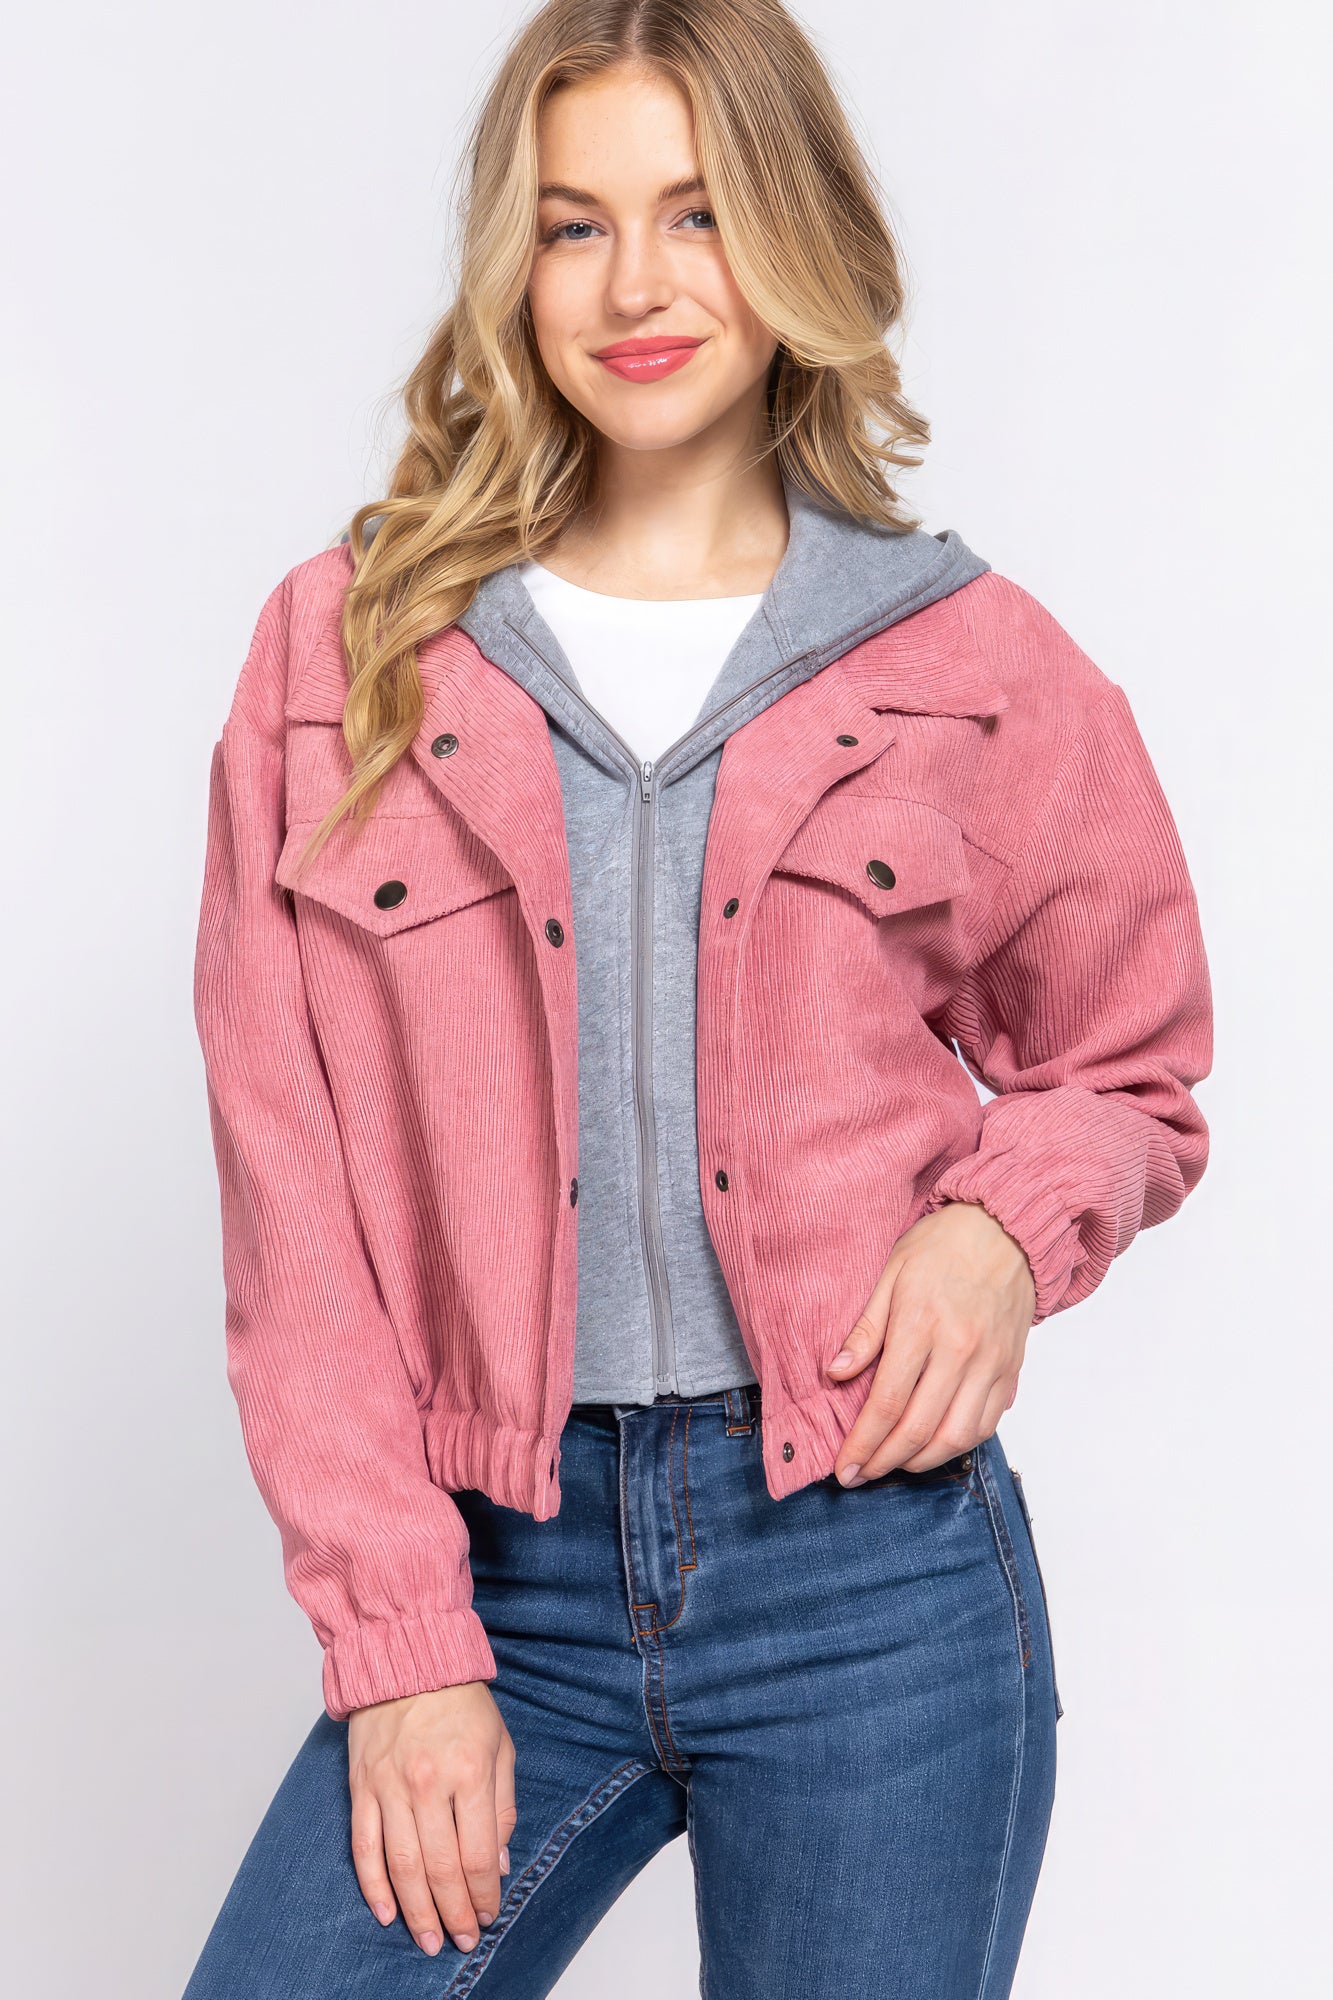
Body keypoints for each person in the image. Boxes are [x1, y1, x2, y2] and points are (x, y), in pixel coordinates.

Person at [183, 2, 1213, 1993]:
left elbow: (1129, 1066)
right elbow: (288, 1198)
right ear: (514, 263)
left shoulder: (973, 660)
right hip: (491, 1571)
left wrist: (1003, 1231)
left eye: (699, 212)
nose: (635, 286)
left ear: (797, 235)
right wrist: (403, 1648)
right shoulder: (344, 655)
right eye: (575, 225)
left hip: (871, 1579)